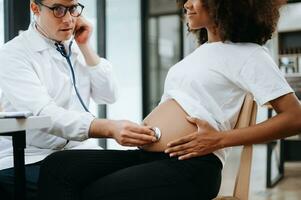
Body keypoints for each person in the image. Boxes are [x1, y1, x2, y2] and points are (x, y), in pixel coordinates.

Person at [37, 0, 301, 200]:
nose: (187, 3)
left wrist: (219, 140)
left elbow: (294, 118)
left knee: (100, 192)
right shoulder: (201, 53)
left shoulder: (249, 54)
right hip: (148, 157)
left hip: (192, 166)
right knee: (59, 166)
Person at [0, 0, 157, 199]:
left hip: (79, 152)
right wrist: (109, 128)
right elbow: (47, 114)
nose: (68, 19)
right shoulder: (13, 54)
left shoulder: (73, 47)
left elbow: (108, 95)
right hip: (32, 158)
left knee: (141, 177)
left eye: (73, 8)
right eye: (58, 9)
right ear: (35, 8)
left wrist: (85, 46)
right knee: (98, 191)